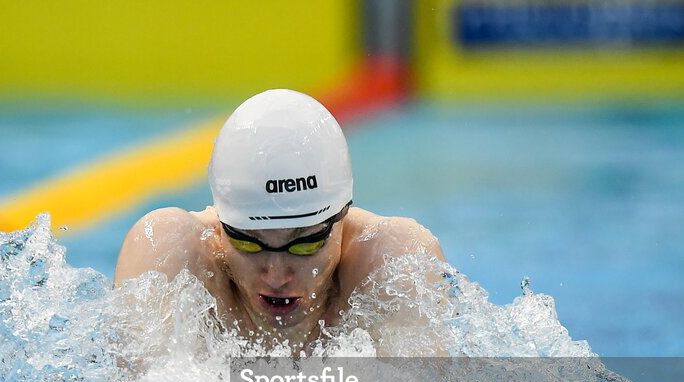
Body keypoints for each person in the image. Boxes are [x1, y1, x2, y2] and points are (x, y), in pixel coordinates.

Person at [114, 89, 446, 353]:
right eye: (247, 242)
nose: (276, 275)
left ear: (343, 216)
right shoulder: (170, 251)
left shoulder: (392, 263)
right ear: (220, 224)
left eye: (306, 243)